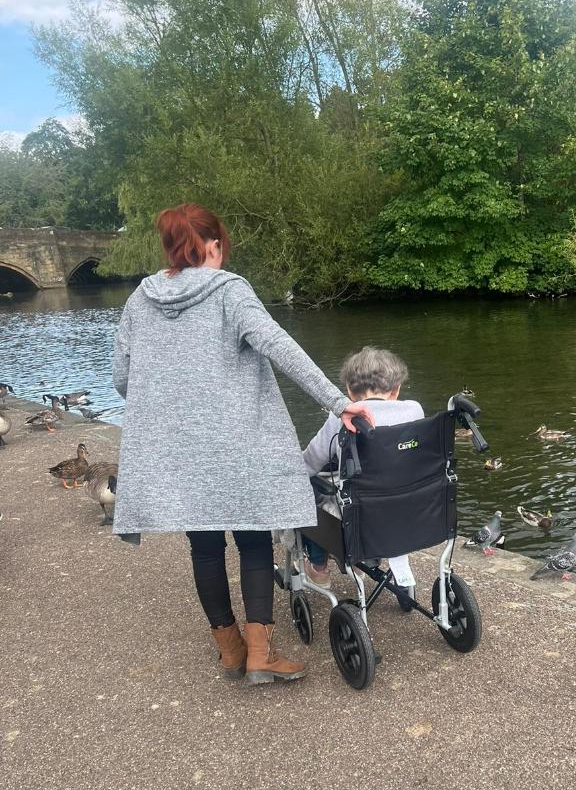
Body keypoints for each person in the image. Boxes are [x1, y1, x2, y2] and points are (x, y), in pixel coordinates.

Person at [111, 203, 374, 685]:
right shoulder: (230, 289)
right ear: (213, 244)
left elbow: (123, 379)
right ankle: (260, 653)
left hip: (177, 453)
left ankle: (229, 651)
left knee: (204, 548)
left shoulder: (139, 301)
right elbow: (280, 346)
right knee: (254, 542)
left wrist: (172, 398)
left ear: (170, 247)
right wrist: (340, 404)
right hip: (239, 447)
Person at [301, 346, 424, 586]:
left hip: (361, 516)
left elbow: (310, 463)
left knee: (308, 491)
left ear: (348, 390)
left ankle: (318, 565)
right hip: (412, 511)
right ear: (396, 389)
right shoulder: (415, 410)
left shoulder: (340, 418)